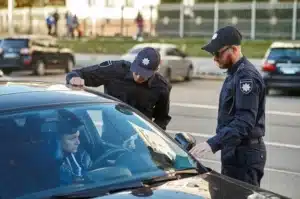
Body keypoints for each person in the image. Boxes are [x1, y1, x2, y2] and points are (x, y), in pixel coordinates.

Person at [190, 26, 267, 187]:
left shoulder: (246, 77)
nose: (214, 58)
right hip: (234, 152)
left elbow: (245, 122)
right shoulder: (235, 73)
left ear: (233, 49)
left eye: (217, 53)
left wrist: (213, 143)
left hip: (245, 155)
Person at [66, 47, 172, 130]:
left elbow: (162, 118)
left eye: (144, 75)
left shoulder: (161, 87)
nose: (139, 77)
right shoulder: (115, 70)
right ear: (134, 61)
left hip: (141, 138)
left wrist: (153, 134)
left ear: (156, 70)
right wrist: (74, 78)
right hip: (111, 133)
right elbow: (80, 73)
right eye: (137, 71)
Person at [55, 109, 92, 185]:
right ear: (58, 141)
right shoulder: (53, 166)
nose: (78, 142)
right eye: (72, 138)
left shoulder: (83, 155)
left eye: (78, 137)